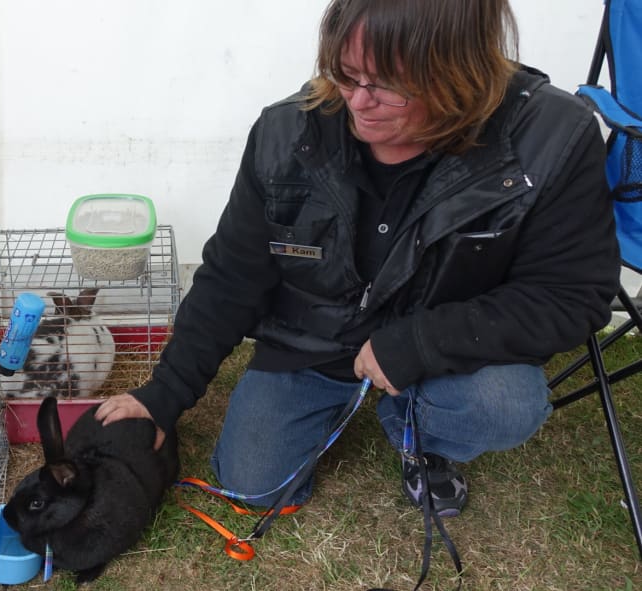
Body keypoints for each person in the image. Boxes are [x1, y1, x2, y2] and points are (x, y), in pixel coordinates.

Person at [96, 0, 620, 518]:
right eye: (347, 75)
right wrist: (165, 393)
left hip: (447, 351)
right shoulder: (287, 134)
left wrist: (420, 344)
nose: (359, 102)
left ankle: (418, 429)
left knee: (504, 405)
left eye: (388, 85)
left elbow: (571, 295)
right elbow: (232, 275)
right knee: (253, 485)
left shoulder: (551, 137)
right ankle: (354, 400)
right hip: (312, 341)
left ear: (462, 72)